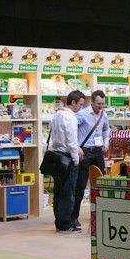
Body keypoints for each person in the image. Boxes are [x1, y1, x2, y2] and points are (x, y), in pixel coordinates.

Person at [49, 90, 86, 234]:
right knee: (68, 192)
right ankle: (66, 224)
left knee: (58, 191)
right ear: (73, 102)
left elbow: (54, 137)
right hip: (68, 158)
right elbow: (71, 141)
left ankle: (59, 223)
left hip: (57, 157)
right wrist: (76, 160)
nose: (81, 108)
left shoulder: (57, 115)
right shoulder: (71, 118)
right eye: (80, 104)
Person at [73, 90, 110, 227]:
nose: (101, 106)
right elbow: (72, 129)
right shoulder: (82, 114)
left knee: (101, 183)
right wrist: (76, 146)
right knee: (80, 185)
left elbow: (106, 129)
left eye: (103, 104)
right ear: (92, 102)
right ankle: (74, 217)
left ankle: (102, 213)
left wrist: (106, 143)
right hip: (85, 153)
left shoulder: (104, 115)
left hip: (98, 152)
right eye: (98, 104)